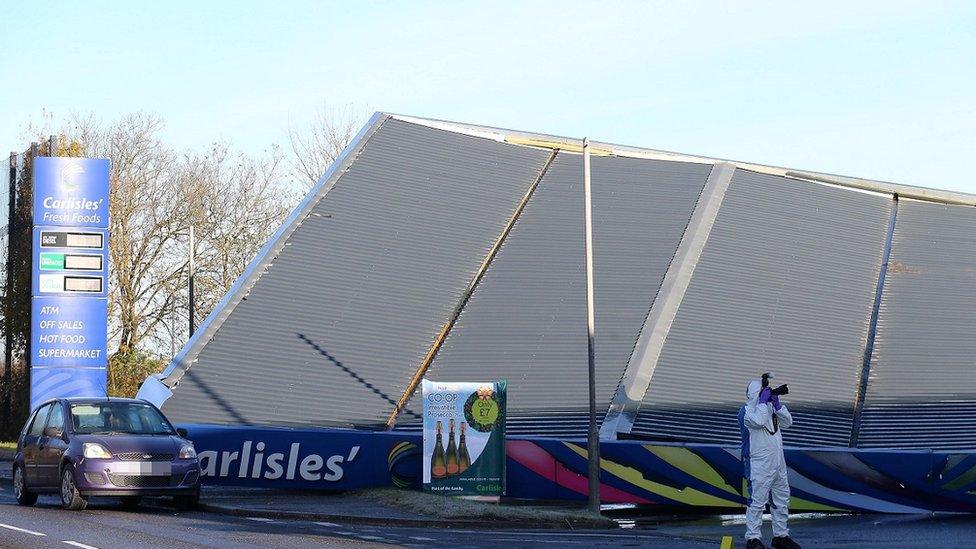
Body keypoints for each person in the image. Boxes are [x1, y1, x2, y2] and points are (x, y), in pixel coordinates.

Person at [738, 377, 801, 549]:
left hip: (777, 463)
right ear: (753, 394)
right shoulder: (746, 412)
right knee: (757, 502)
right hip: (758, 464)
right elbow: (758, 422)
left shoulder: (768, 408)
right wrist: (763, 403)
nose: (765, 394)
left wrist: (778, 405)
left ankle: (781, 536)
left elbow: (788, 422)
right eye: (761, 392)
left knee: (781, 500)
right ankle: (753, 538)